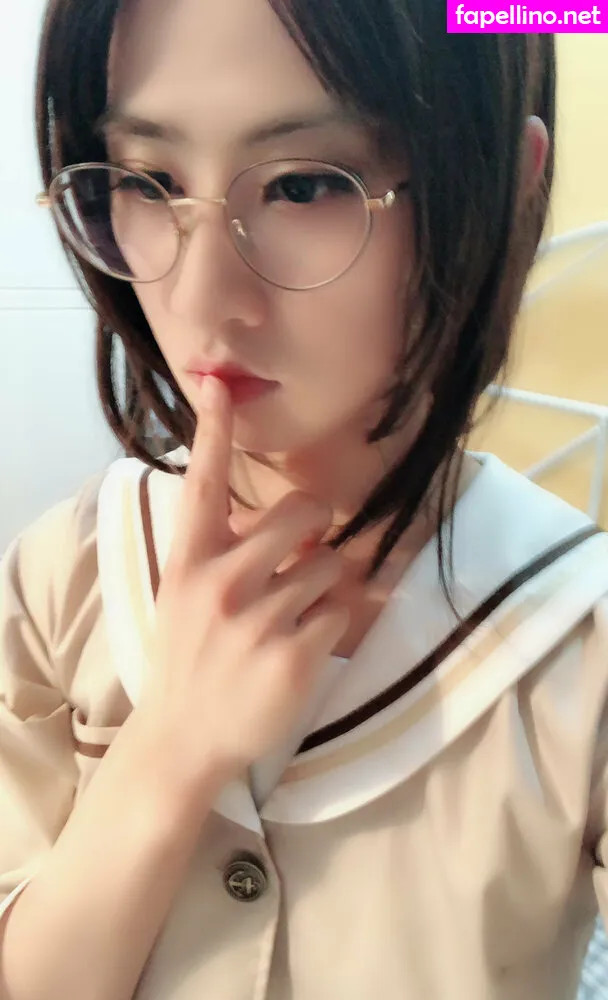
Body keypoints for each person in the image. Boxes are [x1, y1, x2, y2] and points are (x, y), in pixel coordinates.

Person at [1, 0, 607, 997]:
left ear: (503, 186)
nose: (201, 299)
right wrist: (168, 751)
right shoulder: (61, 576)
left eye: (304, 184)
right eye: (147, 181)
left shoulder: (574, 639)